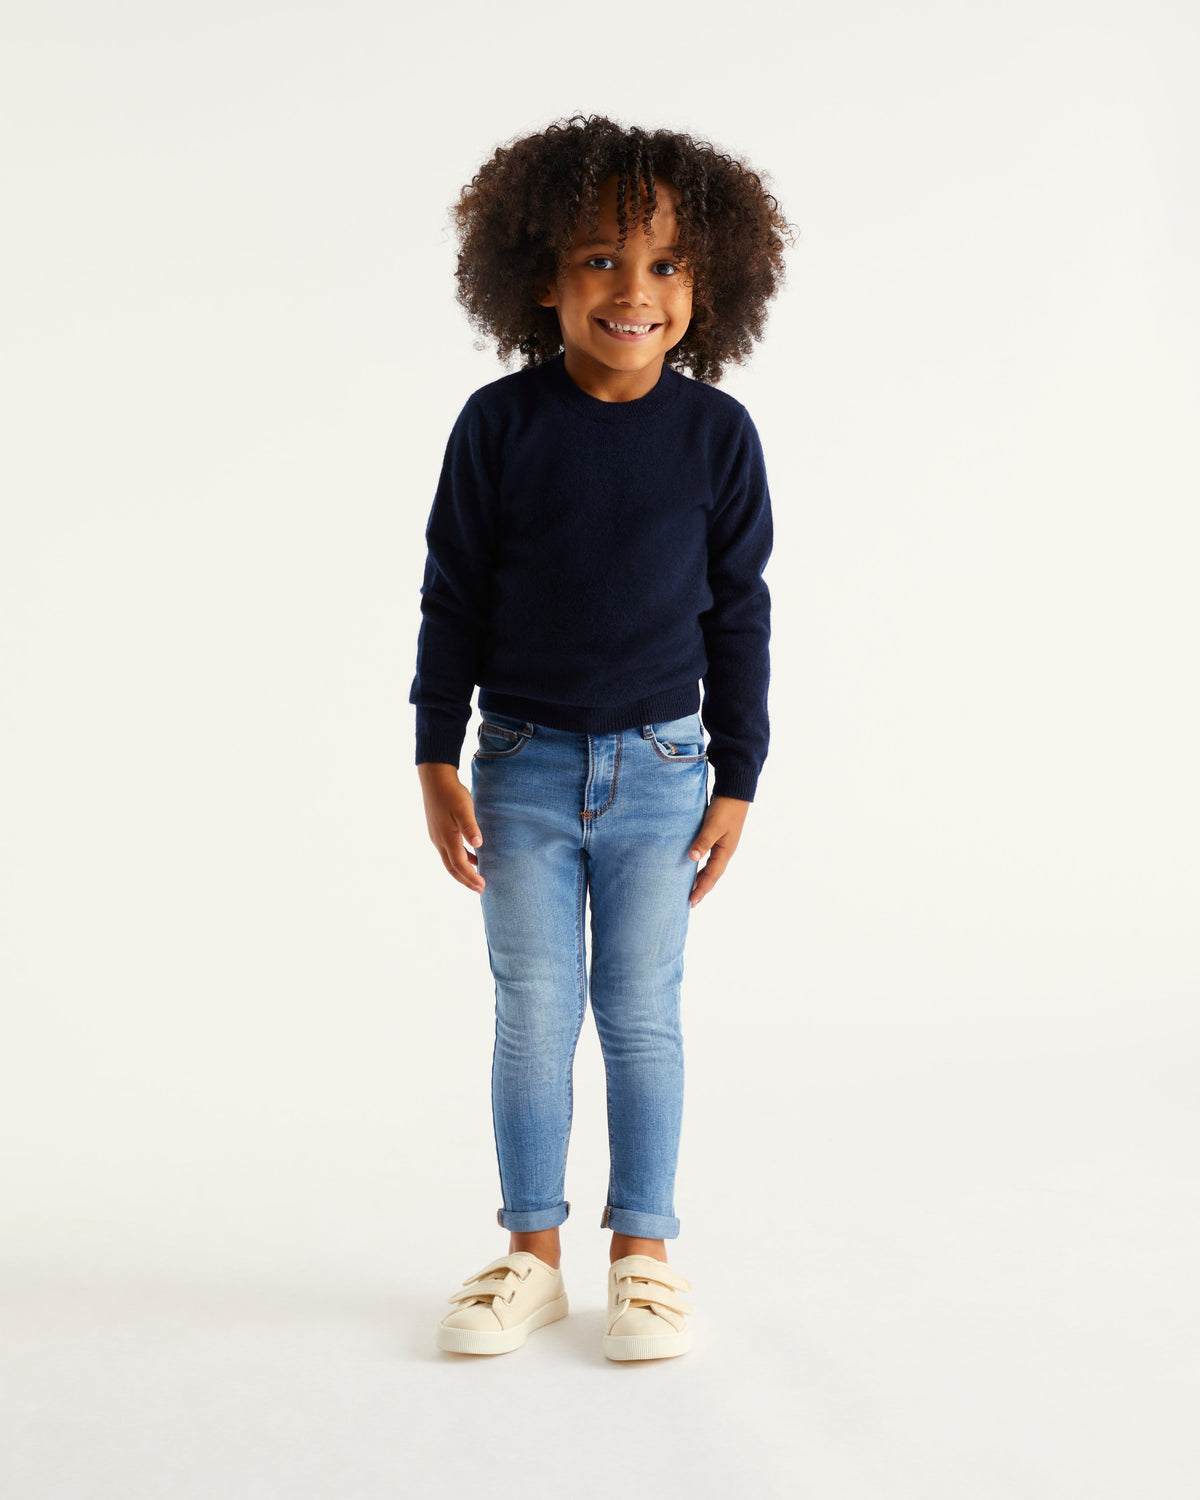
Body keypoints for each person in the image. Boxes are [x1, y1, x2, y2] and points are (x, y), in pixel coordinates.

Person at [410, 114, 795, 1360]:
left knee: (640, 1013)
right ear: (541, 277)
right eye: (600, 260)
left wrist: (739, 774)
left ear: (706, 286)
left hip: (665, 773)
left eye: (666, 264)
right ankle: (531, 1259)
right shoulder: (499, 425)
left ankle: (645, 1259)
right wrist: (434, 754)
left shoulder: (718, 437)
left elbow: (739, 612)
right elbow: (453, 594)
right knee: (533, 1012)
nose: (634, 291)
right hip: (520, 768)